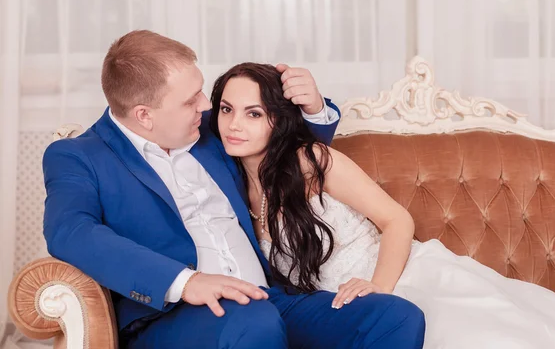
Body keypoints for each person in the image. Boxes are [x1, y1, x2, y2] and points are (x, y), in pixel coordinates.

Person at [43, 30, 426, 348]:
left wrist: (313, 108)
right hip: (177, 318)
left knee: (394, 317)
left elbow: (279, 143)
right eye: (191, 100)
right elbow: (71, 232)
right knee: (254, 323)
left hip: (269, 297)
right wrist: (184, 282)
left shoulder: (206, 130)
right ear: (145, 115)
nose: (205, 106)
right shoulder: (80, 157)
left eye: (201, 93)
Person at [211, 62, 555, 349]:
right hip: (344, 312)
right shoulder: (228, 179)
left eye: (254, 113)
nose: (234, 125)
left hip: (401, 278)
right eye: (226, 110)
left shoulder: (312, 159)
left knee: (481, 338)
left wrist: (380, 287)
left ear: (278, 120)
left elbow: (397, 219)